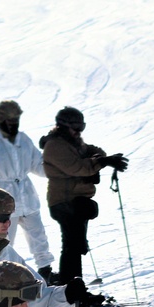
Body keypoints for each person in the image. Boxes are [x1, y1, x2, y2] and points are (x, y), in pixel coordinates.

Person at [40, 106, 127, 287]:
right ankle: (69, 288)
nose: (79, 132)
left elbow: (93, 150)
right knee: (72, 245)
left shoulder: (73, 142)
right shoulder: (55, 146)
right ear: (63, 126)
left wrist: (100, 158)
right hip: (63, 202)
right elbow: (77, 167)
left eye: (82, 127)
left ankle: (71, 287)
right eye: (76, 128)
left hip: (76, 201)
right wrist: (102, 162)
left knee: (75, 245)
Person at [0, 100, 56, 283]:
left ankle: (45, 270)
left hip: (26, 195)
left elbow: (38, 165)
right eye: (10, 121)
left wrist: (55, 164)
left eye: (16, 120)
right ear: (0, 120)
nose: (14, 124)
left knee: (38, 235)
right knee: (4, 240)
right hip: (3, 200)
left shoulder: (24, 139)